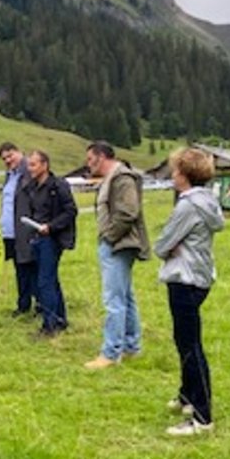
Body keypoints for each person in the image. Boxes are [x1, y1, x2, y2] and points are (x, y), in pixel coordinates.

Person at [155, 148, 225, 436]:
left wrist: (170, 247)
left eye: (175, 170)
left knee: (190, 346)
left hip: (184, 278)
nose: (172, 175)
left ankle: (201, 416)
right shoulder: (208, 202)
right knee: (184, 340)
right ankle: (187, 396)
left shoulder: (187, 206)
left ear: (184, 175)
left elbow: (162, 245)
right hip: (200, 277)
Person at [84, 140, 150, 370]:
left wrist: (109, 237)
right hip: (117, 243)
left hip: (119, 244)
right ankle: (131, 346)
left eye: (91, 159)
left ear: (102, 157)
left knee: (113, 300)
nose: (89, 165)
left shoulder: (122, 178)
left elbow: (128, 211)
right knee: (126, 297)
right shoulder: (113, 178)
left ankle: (111, 353)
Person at [16, 150, 77, 338]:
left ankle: (49, 326)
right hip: (37, 237)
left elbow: (71, 211)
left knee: (45, 282)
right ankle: (60, 319)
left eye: (33, 164)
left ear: (45, 165)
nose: (30, 168)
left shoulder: (58, 185)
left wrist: (51, 227)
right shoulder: (32, 186)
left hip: (52, 238)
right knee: (51, 280)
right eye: (29, 164)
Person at [0, 142, 34, 316]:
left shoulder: (30, 172)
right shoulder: (9, 176)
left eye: (10, 155)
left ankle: (41, 304)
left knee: (32, 267)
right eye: (4, 158)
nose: (7, 160)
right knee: (19, 269)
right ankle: (23, 304)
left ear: (19, 152)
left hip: (25, 230)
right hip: (10, 232)